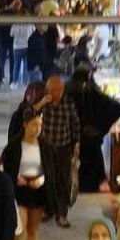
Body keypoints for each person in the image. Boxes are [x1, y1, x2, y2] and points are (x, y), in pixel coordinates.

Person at [2, 109, 58, 240]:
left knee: (32, 229)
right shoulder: (14, 146)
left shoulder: (45, 146)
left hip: (37, 190)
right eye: (34, 125)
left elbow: (50, 169)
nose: (37, 129)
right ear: (25, 125)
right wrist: (16, 178)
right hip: (19, 190)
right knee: (19, 230)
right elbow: (7, 167)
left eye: (40, 125)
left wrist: (41, 179)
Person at [68, 66, 120, 193]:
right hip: (92, 139)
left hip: (73, 139)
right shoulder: (93, 91)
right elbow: (116, 107)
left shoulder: (68, 91)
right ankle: (92, 187)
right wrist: (100, 128)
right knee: (92, 165)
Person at [35, 75, 81, 227]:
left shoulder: (68, 103)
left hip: (64, 147)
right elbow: (29, 113)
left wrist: (77, 143)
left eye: (60, 90)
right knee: (49, 179)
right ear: (48, 90)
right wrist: (42, 102)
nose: (58, 93)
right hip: (47, 147)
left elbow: (75, 123)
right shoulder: (43, 102)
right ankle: (50, 209)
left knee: (64, 181)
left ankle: (62, 213)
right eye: (54, 90)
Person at [10, 21, 31, 86]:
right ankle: (25, 81)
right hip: (27, 46)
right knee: (26, 65)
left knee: (16, 65)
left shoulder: (15, 24)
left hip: (17, 46)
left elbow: (11, 34)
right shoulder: (30, 23)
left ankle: (15, 82)